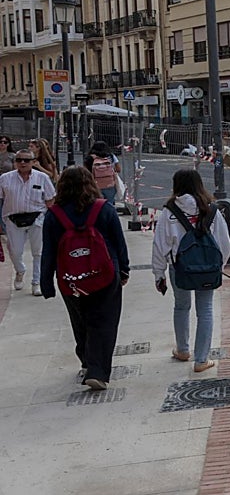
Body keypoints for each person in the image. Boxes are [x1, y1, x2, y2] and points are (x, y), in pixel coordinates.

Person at [40, 166, 129, 390]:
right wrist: (124, 270)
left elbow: (48, 251)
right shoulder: (104, 209)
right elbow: (119, 242)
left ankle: (87, 360)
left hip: (71, 279)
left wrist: (46, 283)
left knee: (80, 320)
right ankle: (97, 370)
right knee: (104, 321)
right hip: (105, 275)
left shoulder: (54, 215)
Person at [152, 168, 230, 373]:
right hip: (207, 270)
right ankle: (201, 360)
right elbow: (225, 244)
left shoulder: (169, 211)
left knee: (181, 306)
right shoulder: (211, 210)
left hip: (179, 268)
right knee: (205, 310)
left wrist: (159, 274)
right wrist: (218, 267)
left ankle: (183, 350)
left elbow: (160, 245)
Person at [0, 149, 55, 293]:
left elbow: (50, 200)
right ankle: (20, 270)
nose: (22, 163)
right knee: (15, 252)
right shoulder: (5, 178)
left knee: (38, 252)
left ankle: (36, 282)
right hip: (12, 218)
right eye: (19, 160)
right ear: (15, 162)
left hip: (37, 217)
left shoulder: (42, 178)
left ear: (33, 162)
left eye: (26, 160)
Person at [84, 141, 122, 206]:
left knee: (95, 205)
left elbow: (85, 171)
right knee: (109, 204)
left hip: (94, 184)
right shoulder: (111, 156)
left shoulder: (89, 158)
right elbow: (118, 169)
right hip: (109, 184)